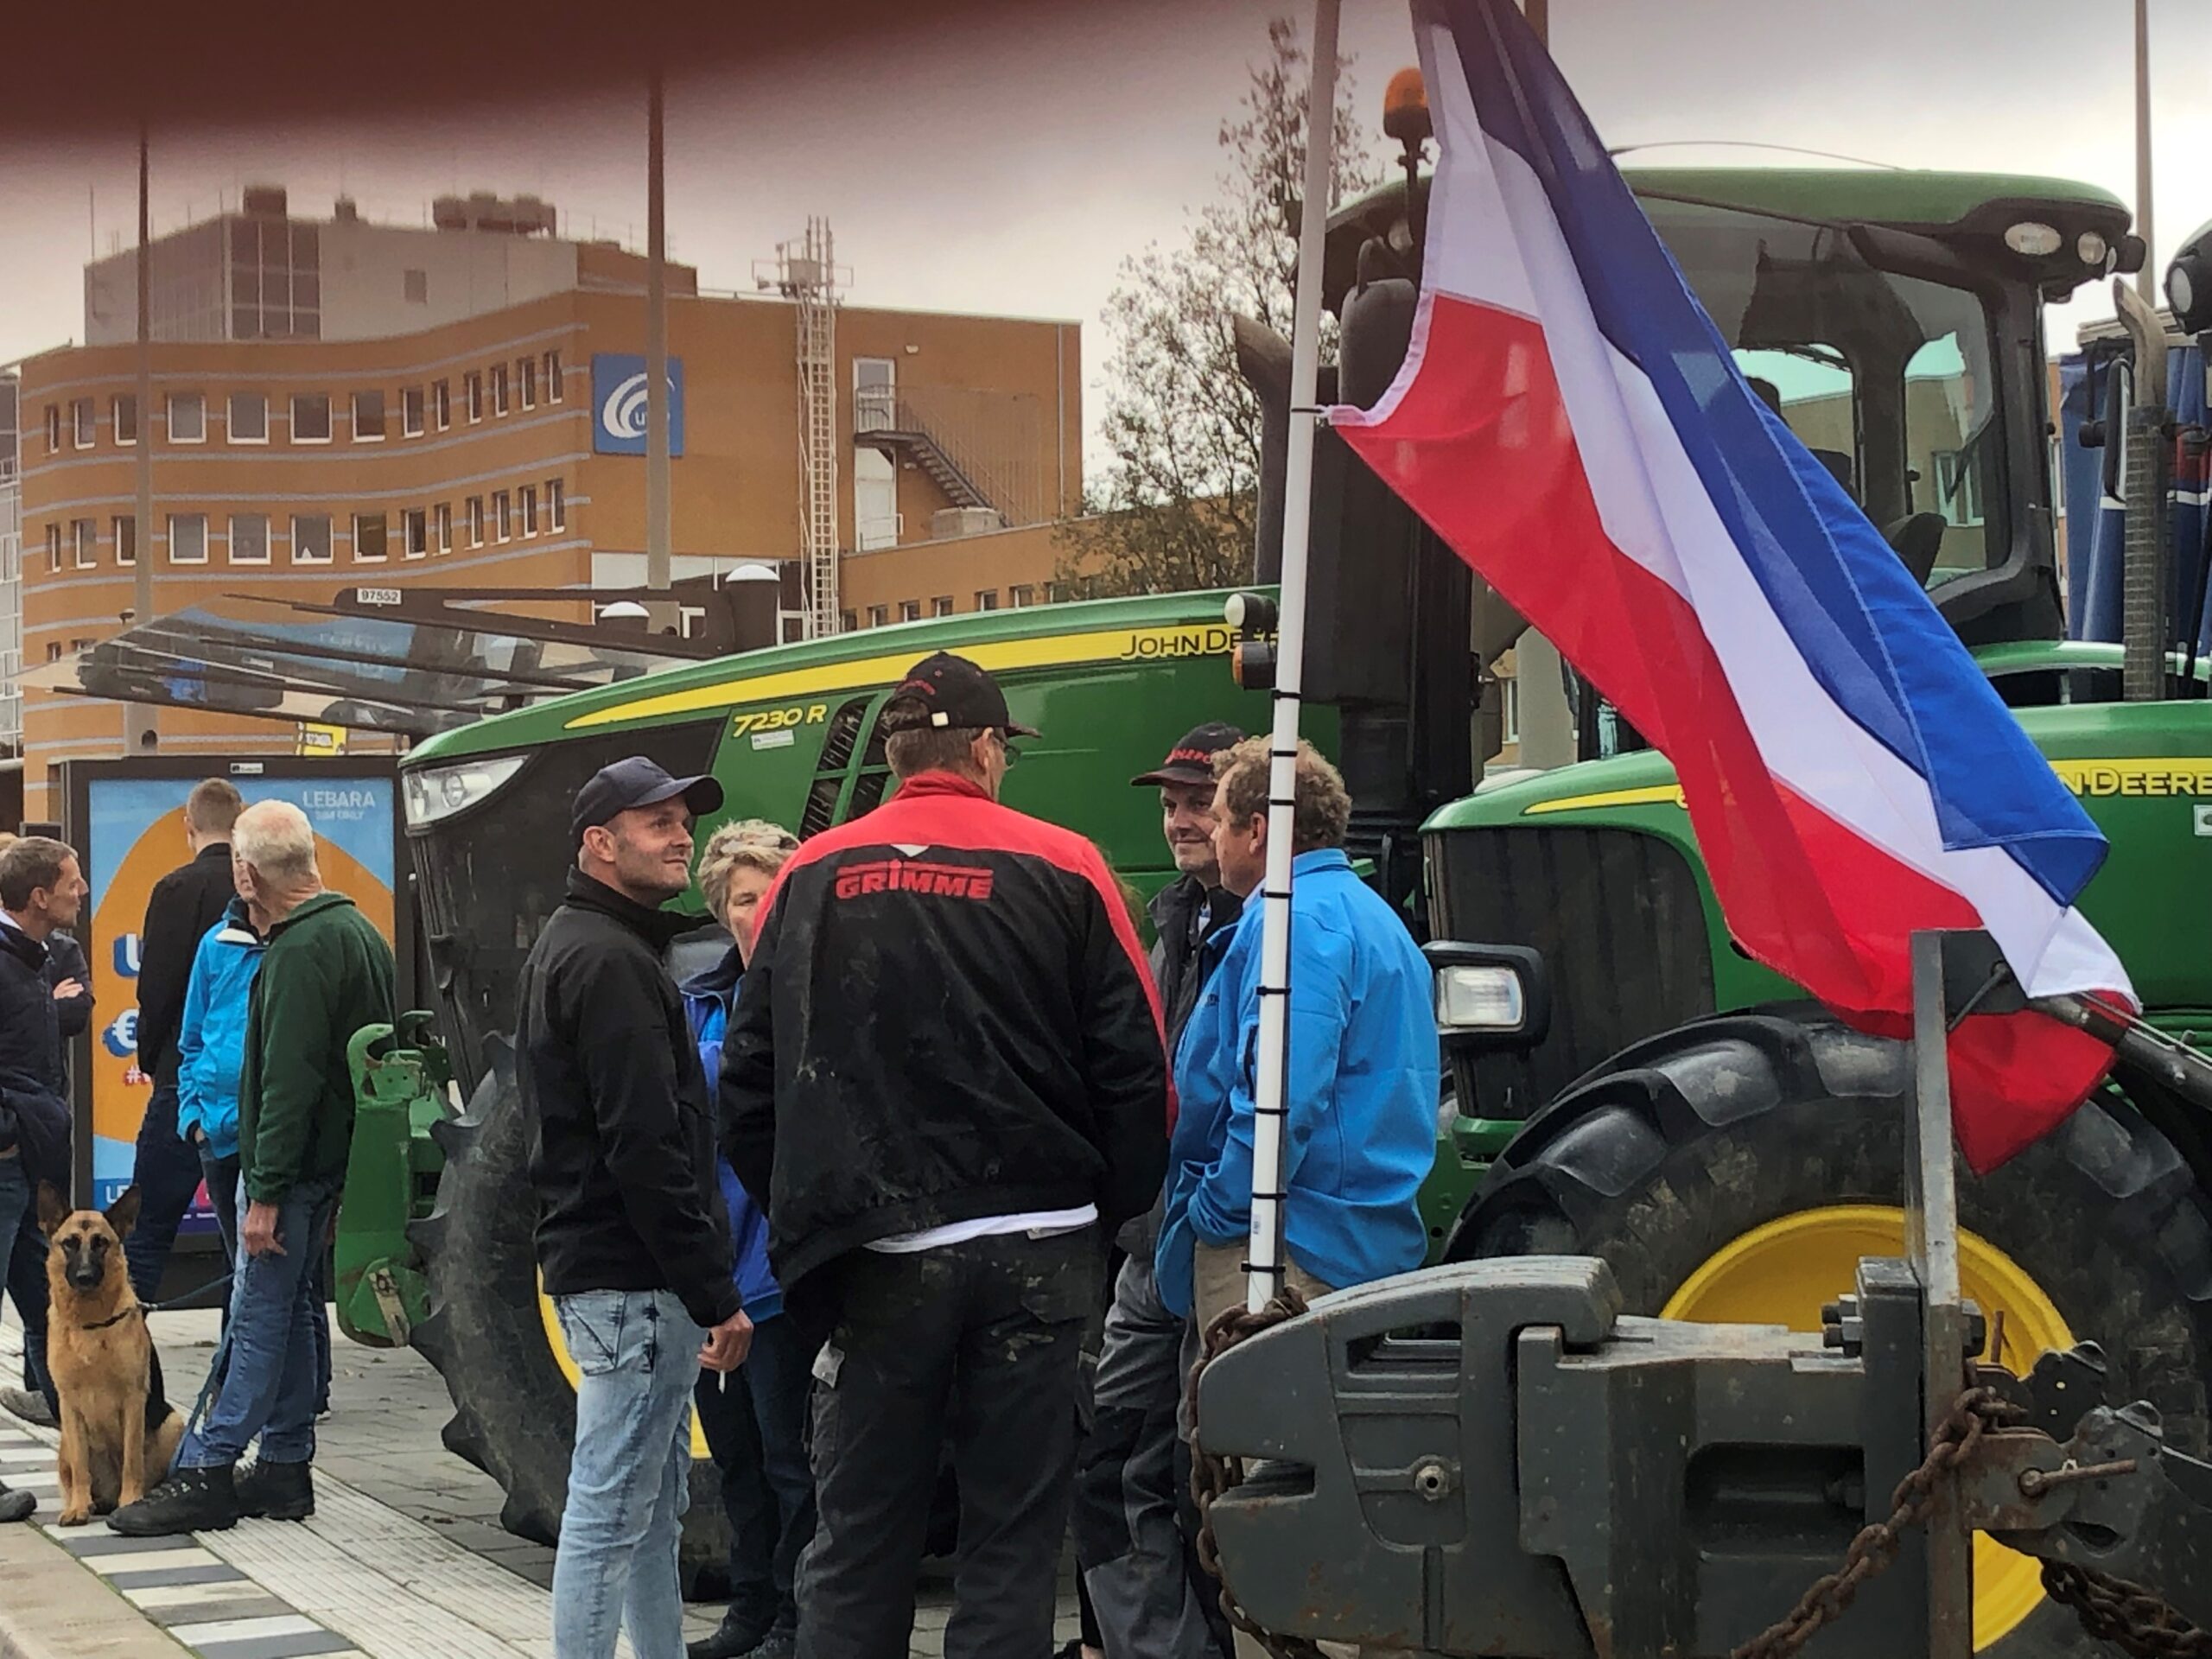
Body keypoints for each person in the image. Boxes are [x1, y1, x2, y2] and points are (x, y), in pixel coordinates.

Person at [721, 651, 1169, 1659]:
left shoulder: (807, 876)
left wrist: (812, 1218)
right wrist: (1103, 1222)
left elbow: (747, 1083)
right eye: (1003, 748)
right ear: (981, 746)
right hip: (1039, 1247)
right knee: (1010, 1536)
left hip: (877, 1253)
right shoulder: (1068, 865)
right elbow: (1139, 1071)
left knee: (860, 1531)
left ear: (891, 754)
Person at [109, 800, 396, 1535]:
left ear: (246, 869)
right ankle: (283, 1468)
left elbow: (287, 1082)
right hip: (327, 1164)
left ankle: (208, 1465)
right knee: (296, 1308)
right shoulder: (358, 931)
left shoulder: (299, 949)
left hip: (284, 1169)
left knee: (258, 1311)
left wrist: (263, 1193)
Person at [521, 757, 753, 1659]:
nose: (680, 836)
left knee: (652, 1508)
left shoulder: (586, 943)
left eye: (681, 821)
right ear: (600, 842)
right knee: (614, 1508)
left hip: (616, 1276)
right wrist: (714, 1292)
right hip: (631, 1279)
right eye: (657, 823)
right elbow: (646, 1148)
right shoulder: (609, 961)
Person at [1156, 734, 1439, 1392]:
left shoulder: (1294, 923)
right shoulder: (1368, 915)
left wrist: (1221, 1212)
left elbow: (1280, 1098)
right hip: (1349, 1235)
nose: (1215, 837)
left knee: (1262, 1464)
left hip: (1289, 1247)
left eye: (1222, 820)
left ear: (1257, 831)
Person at [1073, 723, 1244, 1659]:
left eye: (1197, 800)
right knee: (1107, 1459)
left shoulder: (1284, 926)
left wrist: (1209, 1210)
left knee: (1205, 1478)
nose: (1179, 818)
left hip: (1226, 1241)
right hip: (1155, 1240)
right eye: (1170, 800)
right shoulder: (1176, 916)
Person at [682, 820, 813, 1659]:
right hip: (713, 1266)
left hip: (782, 1273)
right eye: (740, 897)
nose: (754, 912)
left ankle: (800, 1619)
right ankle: (753, 1607)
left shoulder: (818, 1000)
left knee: (788, 1458)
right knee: (733, 1454)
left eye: (770, 895)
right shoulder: (697, 1003)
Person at [124, 779, 245, 1303]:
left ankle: (128, 1371)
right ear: (239, 823)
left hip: (183, 1077)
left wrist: (154, 1061)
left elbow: (156, 988)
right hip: (248, 1088)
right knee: (239, 1247)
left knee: (146, 1231)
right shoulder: (255, 888)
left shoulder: (176, 889)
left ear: (188, 825)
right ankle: (230, 1380)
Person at [0, 836, 90, 1432]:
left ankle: (83, 1450)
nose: (81, 891)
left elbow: (76, 1013)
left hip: (35, 1165)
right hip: (10, 1159)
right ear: (39, 896)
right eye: (71, 882)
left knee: (53, 1306)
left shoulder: (40, 952)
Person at [175, 884, 268, 1269]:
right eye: (239, 862)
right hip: (217, 1131)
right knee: (242, 1272)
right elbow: (191, 1040)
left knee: (285, 1285)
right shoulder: (215, 942)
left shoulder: (302, 941)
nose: (245, 874)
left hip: (274, 1133)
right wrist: (193, 1120)